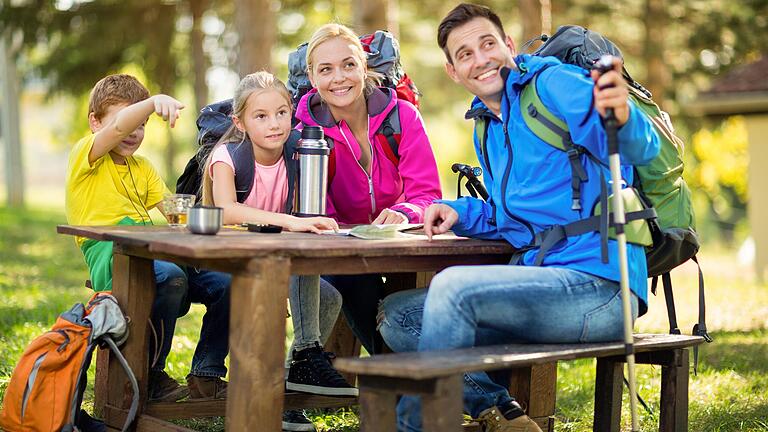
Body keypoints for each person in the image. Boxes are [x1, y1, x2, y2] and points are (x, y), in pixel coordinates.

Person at [377, 4, 661, 432]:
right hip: (542, 285)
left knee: (452, 288)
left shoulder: (553, 84)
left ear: (508, 46)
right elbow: (511, 216)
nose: (481, 58)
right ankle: (502, 411)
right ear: (453, 71)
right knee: (398, 316)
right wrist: (457, 210)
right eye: (465, 53)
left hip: (599, 288)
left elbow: (637, 148)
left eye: (488, 44)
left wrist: (623, 115)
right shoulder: (488, 125)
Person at [200, 71, 357, 432]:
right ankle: (299, 363)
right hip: (227, 259)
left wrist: (309, 221)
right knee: (298, 281)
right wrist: (290, 220)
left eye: (282, 113)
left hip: (273, 256)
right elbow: (224, 210)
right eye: (261, 116)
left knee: (329, 297)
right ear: (240, 122)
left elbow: (308, 207)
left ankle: (290, 385)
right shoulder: (228, 156)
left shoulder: (297, 150)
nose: (275, 124)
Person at [65, 74, 232, 402]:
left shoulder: (143, 168)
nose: (133, 133)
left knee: (228, 283)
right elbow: (116, 130)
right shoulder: (86, 156)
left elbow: (176, 213)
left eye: (142, 125)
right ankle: (150, 373)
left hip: (155, 253)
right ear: (95, 122)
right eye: (128, 122)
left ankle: (207, 373)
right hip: (113, 254)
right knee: (170, 277)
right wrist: (152, 103)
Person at [294, 23, 442, 354]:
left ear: (364, 66)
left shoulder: (403, 117)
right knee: (351, 277)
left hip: (400, 244)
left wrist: (404, 212)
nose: (339, 78)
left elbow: (428, 193)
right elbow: (313, 210)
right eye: (326, 69)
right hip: (340, 253)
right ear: (313, 77)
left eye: (349, 64)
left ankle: (402, 375)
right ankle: (397, 374)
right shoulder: (304, 132)